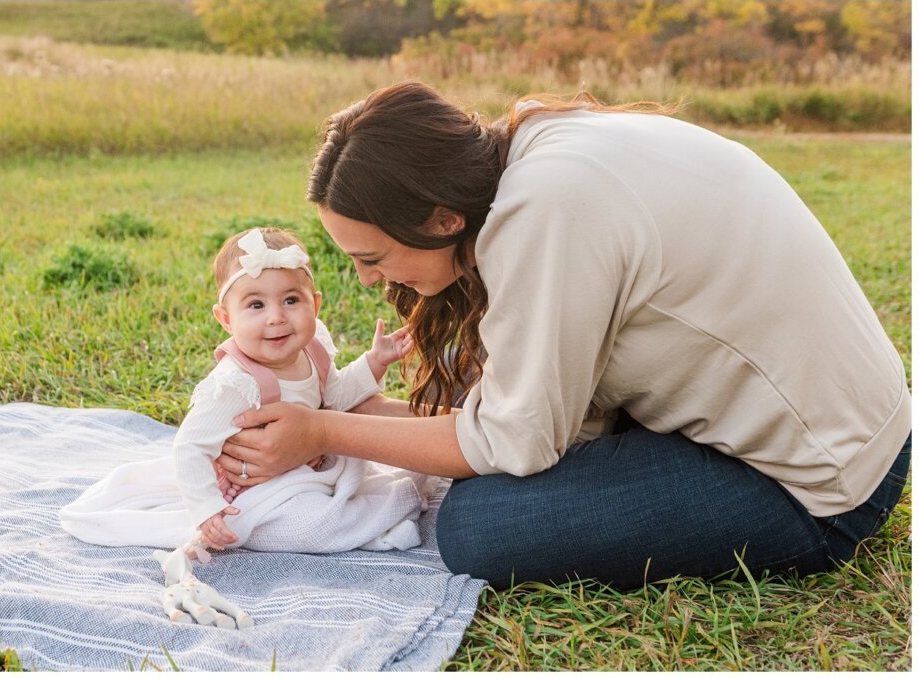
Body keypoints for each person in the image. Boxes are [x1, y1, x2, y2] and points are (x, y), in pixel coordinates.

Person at [213, 81, 911, 591]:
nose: (368, 281)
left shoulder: (545, 214)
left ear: (440, 217)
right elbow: (543, 416)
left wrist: (322, 431)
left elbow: (515, 443)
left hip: (820, 486)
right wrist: (354, 414)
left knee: (479, 524)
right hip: (859, 425)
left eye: (372, 258)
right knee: (478, 406)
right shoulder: (542, 143)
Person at [60, 226, 428, 556]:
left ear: (314, 304)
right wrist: (206, 508)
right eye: (256, 305)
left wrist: (375, 362)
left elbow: (335, 397)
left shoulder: (313, 347)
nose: (276, 317)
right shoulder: (235, 382)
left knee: (363, 466)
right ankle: (373, 525)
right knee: (305, 527)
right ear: (226, 319)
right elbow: (190, 447)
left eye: (291, 300)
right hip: (254, 488)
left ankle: (368, 511)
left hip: (307, 466)